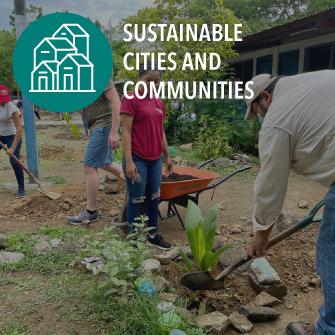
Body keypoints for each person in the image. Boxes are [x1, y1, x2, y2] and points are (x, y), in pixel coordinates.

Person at [244, 70, 335, 335]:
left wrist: (260, 235)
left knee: (331, 250)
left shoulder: (278, 118)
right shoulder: (310, 81)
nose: (262, 119)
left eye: (258, 112)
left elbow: (270, 183)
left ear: (265, 97)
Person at [120, 64, 173, 250]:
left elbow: (161, 131)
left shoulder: (159, 102)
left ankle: (152, 234)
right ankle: (133, 237)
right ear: (140, 78)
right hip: (137, 158)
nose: (152, 85)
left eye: (156, 81)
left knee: (154, 197)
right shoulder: (130, 99)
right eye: (148, 80)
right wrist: (129, 161)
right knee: (136, 198)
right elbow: (125, 132)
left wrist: (167, 156)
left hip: (155, 159)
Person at [67, 80, 123, 225]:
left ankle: (91, 212)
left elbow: (116, 102)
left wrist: (114, 132)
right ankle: (138, 181)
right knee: (106, 163)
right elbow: (84, 108)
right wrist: (88, 127)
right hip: (97, 126)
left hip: (104, 126)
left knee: (89, 165)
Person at [0, 85, 25, 198]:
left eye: (5, 100)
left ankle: (21, 189)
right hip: (0, 135)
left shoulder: (12, 108)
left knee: (14, 161)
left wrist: (13, 148)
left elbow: (19, 129)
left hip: (13, 135)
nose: (3, 103)